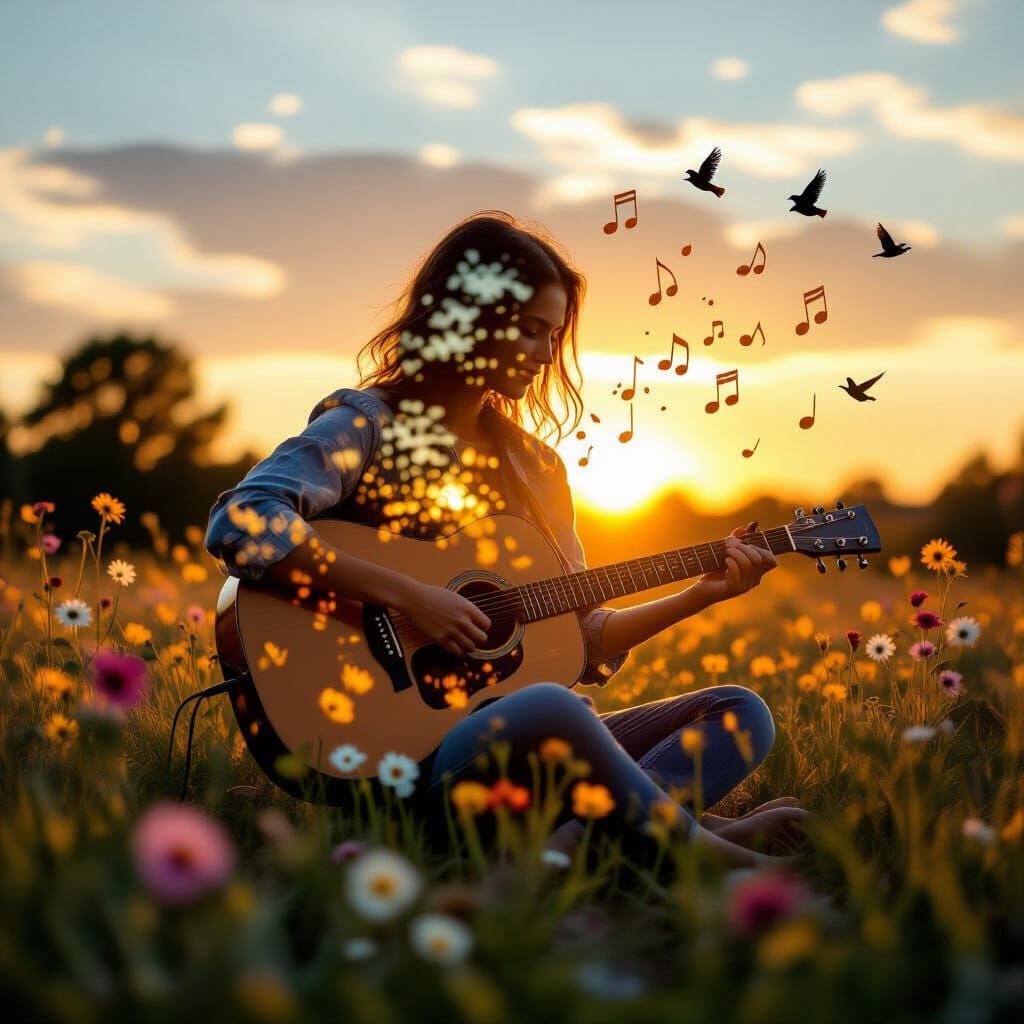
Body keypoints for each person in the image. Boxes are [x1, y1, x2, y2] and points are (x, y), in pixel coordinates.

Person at [205, 211, 808, 868]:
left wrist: (700, 595)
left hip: (526, 747)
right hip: (407, 764)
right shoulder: (368, 425)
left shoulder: (536, 469)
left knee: (738, 710)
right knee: (550, 707)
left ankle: (580, 845)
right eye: (529, 331)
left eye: (553, 336)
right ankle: (715, 856)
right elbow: (243, 520)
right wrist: (410, 597)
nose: (548, 354)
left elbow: (584, 635)